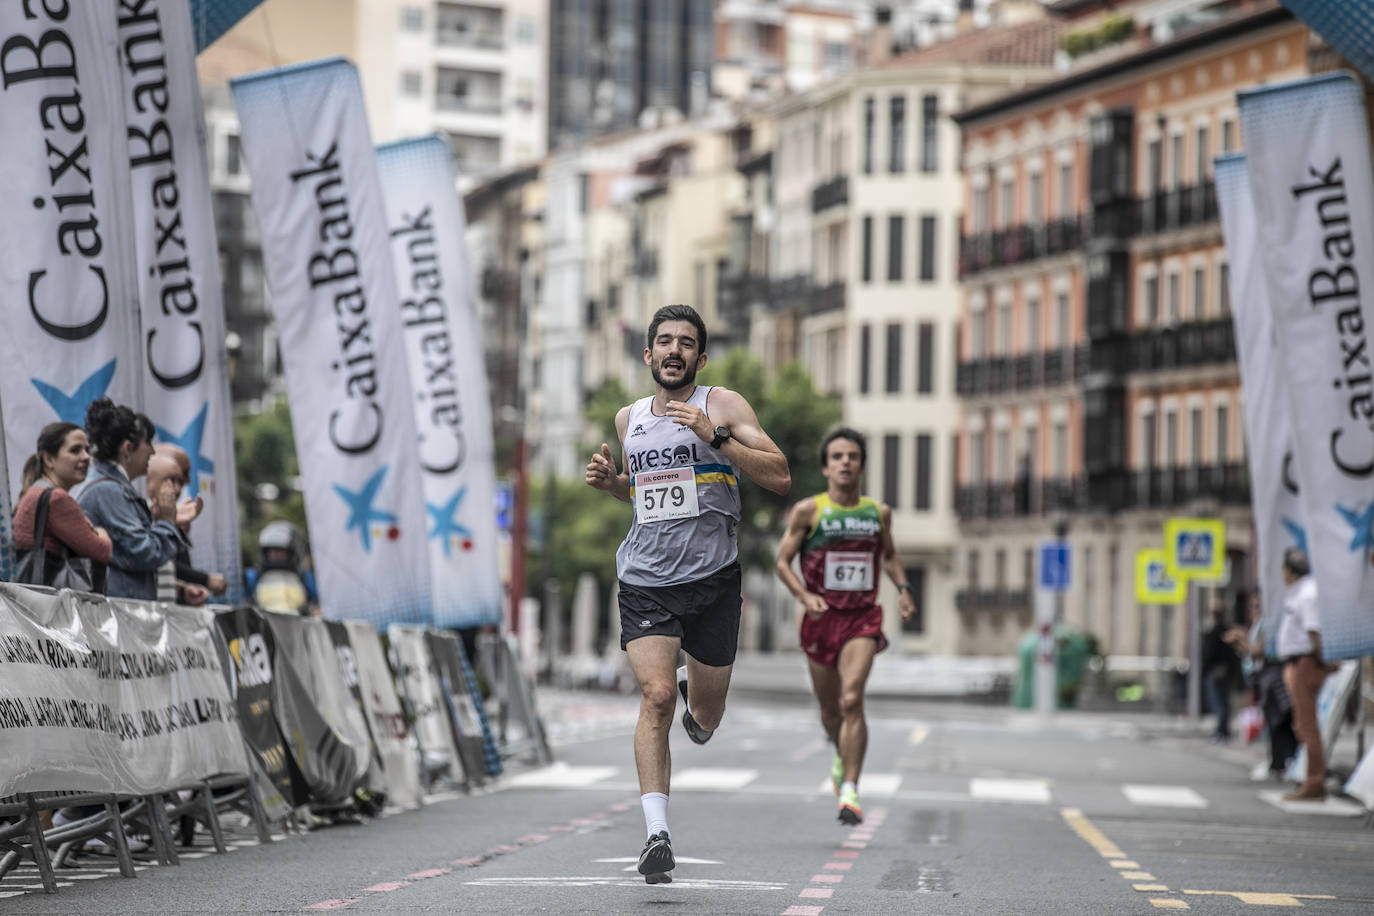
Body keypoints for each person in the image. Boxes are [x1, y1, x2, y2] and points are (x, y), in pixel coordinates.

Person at [585, 303, 790, 884]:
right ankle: (656, 834)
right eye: (664, 342)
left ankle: (700, 712)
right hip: (646, 579)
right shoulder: (629, 420)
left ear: (700, 358)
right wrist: (613, 485)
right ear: (648, 355)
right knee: (655, 699)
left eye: (686, 343)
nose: (674, 351)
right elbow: (650, 493)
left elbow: (778, 475)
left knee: (706, 712)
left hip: (714, 581)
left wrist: (716, 437)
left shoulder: (721, 406)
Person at [774, 428, 916, 825]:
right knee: (830, 710)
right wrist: (804, 596)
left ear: (862, 466)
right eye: (837, 456)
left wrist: (902, 588)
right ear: (825, 467)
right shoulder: (809, 511)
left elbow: (888, 556)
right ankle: (842, 756)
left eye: (852, 456)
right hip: (821, 619)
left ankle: (850, 790)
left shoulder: (877, 513)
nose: (845, 462)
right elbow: (783, 562)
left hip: (862, 618)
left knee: (852, 699)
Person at [76, 399, 188, 600]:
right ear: (128, 448)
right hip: (119, 617)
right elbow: (145, 553)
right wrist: (166, 522)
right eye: (148, 443)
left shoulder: (111, 488)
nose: (152, 452)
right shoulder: (108, 491)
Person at [12, 422, 112, 588]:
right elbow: (102, 551)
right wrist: (102, 533)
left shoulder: (35, 491)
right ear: (49, 459)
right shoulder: (57, 499)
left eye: (87, 449)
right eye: (75, 450)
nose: (86, 457)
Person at [1276, 548, 1335, 801]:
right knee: (1303, 724)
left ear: (1289, 571)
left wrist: (1322, 660)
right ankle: (1312, 778)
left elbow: (1314, 631)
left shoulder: (1307, 594)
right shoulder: (1302, 592)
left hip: (1306, 663)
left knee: (1307, 726)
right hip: (1301, 662)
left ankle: (1314, 782)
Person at [1226, 589, 1296, 778]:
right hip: (1261, 676)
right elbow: (1251, 652)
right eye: (1252, 605)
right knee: (1273, 720)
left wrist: (1242, 640)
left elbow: (1262, 650)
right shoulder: (1258, 624)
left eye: (1258, 605)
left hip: (1274, 676)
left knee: (1280, 719)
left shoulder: (1270, 624)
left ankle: (1284, 761)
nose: (1254, 609)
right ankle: (1278, 761)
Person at [246, 520, 317, 615]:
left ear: (290, 551)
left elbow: (316, 599)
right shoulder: (254, 575)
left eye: (280, 550)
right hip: (263, 625)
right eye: (273, 550)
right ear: (266, 552)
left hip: (298, 624)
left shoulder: (304, 576)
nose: (276, 554)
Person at [1201, 607, 1241, 743]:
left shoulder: (1217, 632)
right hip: (1226, 672)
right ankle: (1224, 730)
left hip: (1217, 672)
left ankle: (1221, 731)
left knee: (1219, 702)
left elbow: (1209, 654)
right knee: (1224, 702)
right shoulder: (1228, 631)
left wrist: (1205, 670)